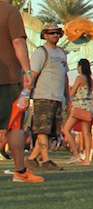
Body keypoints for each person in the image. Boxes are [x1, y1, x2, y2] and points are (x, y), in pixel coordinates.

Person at [0, 0, 43, 183]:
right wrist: (27, 71)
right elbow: (18, 42)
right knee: (14, 125)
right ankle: (20, 171)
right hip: (8, 79)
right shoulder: (11, 12)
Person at [26, 22, 69, 171]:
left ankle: (32, 159)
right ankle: (45, 160)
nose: (55, 35)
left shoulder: (61, 53)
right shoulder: (41, 52)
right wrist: (26, 93)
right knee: (42, 130)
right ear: (44, 35)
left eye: (57, 32)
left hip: (57, 97)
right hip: (43, 96)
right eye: (51, 33)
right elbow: (32, 74)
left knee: (50, 131)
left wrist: (67, 97)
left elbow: (65, 76)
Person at [62, 58, 93, 163]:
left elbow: (71, 93)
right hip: (87, 107)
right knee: (86, 133)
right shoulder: (90, 80)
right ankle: (87, 158)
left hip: (78, 107)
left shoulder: (80, 78)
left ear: (80, 67)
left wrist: (68, 88)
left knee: (66, 129)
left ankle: (75, 153)